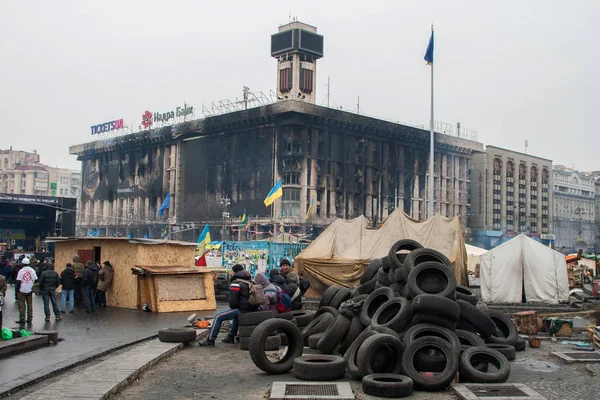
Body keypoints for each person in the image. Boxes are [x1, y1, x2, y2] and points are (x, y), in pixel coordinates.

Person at [199, 264, 258, 347]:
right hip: (251, 308)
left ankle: (210, 340)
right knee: (235, 316)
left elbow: (233, 301)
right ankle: (230, 336)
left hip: (242, 309)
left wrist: (233, 308)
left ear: (234, 272)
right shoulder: (250, 281)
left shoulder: (236, 283)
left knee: (218, 317)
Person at [15, 257, 37, 325]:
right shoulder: (32, 270)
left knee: (22, 305)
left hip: (22, 290)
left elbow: (18, 281)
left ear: (22, 263)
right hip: (29, 290)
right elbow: (35, 279)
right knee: (29, 305)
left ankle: (22, 319)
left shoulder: (21, 271)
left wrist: (17, 291)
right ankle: (30, 318)